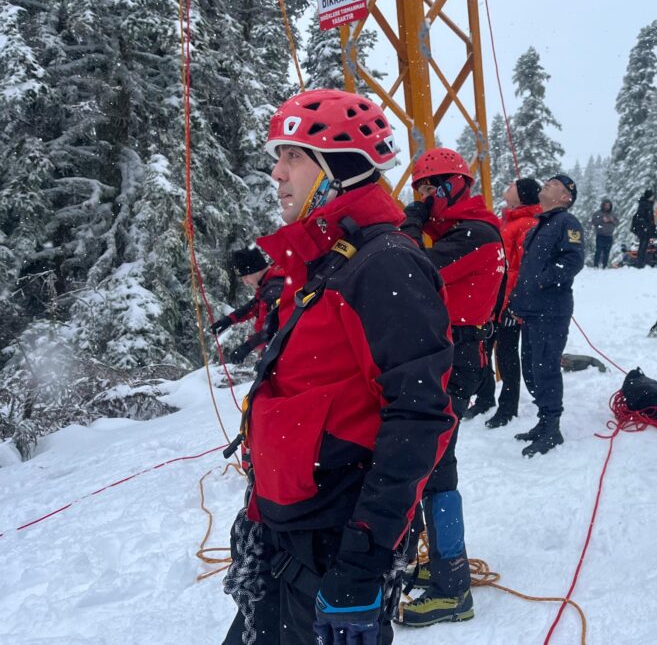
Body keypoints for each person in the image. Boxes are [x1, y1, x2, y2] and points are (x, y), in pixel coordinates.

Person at [221, 89, 456, 645]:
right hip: (286, 527)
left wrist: (363, 559)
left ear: (341, 168)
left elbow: (418, 417)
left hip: (336, 538)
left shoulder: (384, 263)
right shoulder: (323, 260)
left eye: (294, 156)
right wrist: (260, 510)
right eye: (279, 156)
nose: (276, 171)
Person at [396, 147, 505, 626]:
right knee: (433, 461)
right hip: (446, 352)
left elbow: (404, 269)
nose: (426, 197)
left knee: (435, 465)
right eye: (420, 188)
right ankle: (441, 565)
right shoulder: (459, 231)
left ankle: (452, 586)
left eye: (434, 187)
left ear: (455, 186)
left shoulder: (473, 234)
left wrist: (409, 221)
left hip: (453, 355)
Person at [509, 175, 585, 457]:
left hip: (551, 309)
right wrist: (518, 300)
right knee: (531, 366)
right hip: (531, 309)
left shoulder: (567, 222)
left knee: (546, 367)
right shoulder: (539, 226)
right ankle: (543, 421)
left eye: (556, 185)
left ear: (565, 197)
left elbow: (573, 260)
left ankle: (552, 427)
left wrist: (543, 280)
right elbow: (525, 271)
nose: (548, 185)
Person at [473, 178, 542, 429]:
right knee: (485, 348)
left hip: (509, 303)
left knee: (506, 354)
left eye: (514, 185)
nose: (509, 186)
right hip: (495, 299)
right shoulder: (510, 220)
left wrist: (515, 302)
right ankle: (484, 398)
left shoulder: (526, 224)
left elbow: (526, 269)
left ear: (522, 196)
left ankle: (508, 407)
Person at [210, 248, 285, 364]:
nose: (245, 282)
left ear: (256, 270)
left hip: (283, 353)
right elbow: (254, 305)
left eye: (245, 276)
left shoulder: (275, 289)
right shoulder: (269, 284)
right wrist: (229, 320)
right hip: (277, 352)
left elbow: (276, 327)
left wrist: (248, 346)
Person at [630, 189, 657, 268]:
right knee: (643, 245)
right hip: (643, 229)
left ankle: (641, 262)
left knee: (644, 245)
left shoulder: (648, 204)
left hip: (646, 229)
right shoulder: (644, 204)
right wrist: (645, 226)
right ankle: (640, 263)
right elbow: (641, 217)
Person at [590, 199, 617, 268]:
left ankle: (604, 266)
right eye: (606, 205)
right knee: (598, 251)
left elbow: (617, 222)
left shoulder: (612, 214)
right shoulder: (598, 213)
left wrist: (612, 220)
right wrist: (602, 219)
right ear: (603, 205)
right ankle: (596, 265)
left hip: (609, 235)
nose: (607, 207)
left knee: (607, 252)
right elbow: (593, 221)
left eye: (608, 205)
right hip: (600, 235)